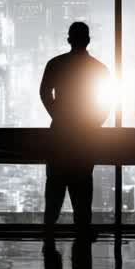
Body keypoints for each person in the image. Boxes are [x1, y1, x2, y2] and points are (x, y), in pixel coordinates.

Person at [40, 22, 110, 230]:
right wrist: (95, 122)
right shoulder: (99, 68)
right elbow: (107, 102)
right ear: (88, 40)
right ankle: (82, 238)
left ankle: (49, 234)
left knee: (54, 189)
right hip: (86, 136)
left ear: (68, 39)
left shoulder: (55, 64)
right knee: (82, 190)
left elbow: (44, 93)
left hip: (60, 134)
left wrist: (57, 115)